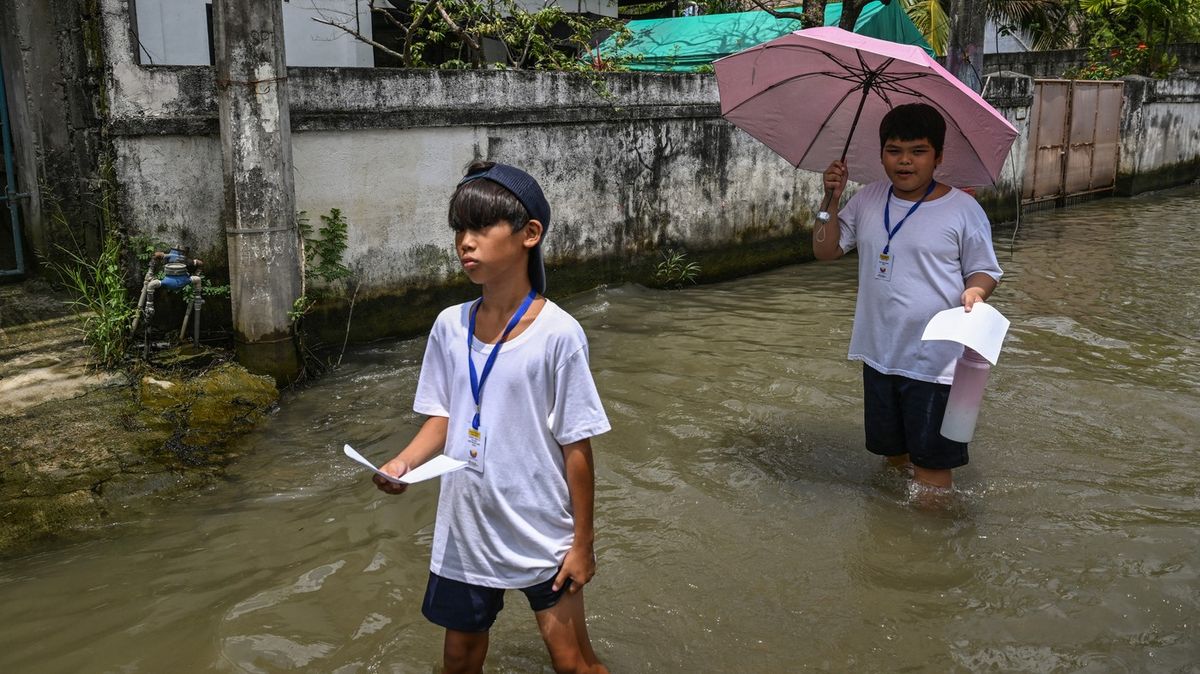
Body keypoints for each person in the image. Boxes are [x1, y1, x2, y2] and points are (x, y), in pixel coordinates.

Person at [373, 161, 611, 674]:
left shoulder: (559, 335)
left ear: (530, 235)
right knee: (459, 658)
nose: (466, 241)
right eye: (460, 228)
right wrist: (402, 463)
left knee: (572, 662)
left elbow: (577, 448)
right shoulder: (448, 325)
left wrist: (583, 546)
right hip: (467, 528)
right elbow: (443, 417)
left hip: (541, 529)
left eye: (481, 227)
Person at [812, 103, 1002, 491]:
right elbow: (825, 251)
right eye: (894, 150)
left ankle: (931, 542)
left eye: (918, 152)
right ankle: (894, 540)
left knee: (932, 470)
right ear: (881, 153)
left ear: (938, 157)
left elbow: (985, 269)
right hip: (879, 355)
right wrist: (829, 199)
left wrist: (975, 291)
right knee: (892, 458)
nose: (905, 162)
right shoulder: (866, 199)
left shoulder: (962, 210)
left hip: (936, 363)